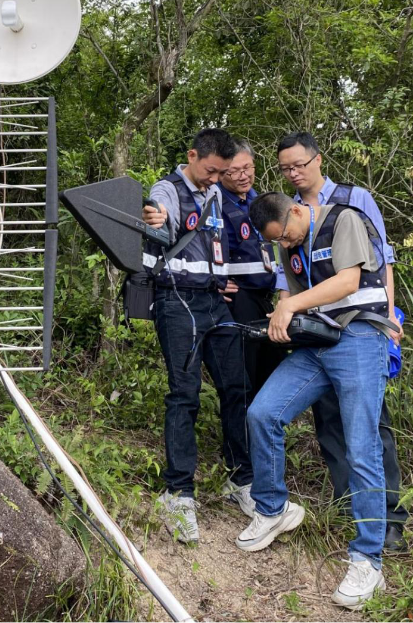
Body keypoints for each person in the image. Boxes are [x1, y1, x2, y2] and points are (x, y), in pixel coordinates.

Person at [237, 192, 391, 609]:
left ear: (299, 211)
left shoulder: (344, 220)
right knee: (263, 413)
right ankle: (273, 509)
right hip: (318, 344)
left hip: (359, 338)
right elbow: (296, 293)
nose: (285, 246)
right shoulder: (287, 240)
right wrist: (283, 318)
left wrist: (289, 308)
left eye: (286, 236)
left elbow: (348, 282)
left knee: (361, 449)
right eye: (278, 243)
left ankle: (368, 560)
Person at [276, 131, 407, 551]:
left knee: (371, 425)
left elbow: (382, 258)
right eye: (286, 169)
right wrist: (286, 313)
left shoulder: (354, 198)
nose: (295, 173)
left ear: (317, 159)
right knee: (329, 421)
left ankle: (388, 522)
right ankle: (348, 506)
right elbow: (286, 278)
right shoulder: (289, 214)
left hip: (359, 329)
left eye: (300, 164)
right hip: (315, 335)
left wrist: (388, 319)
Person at [142, 129, 254, 542]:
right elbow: (160, 213)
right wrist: (155, 217)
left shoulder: (217, 193)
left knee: (236, 387)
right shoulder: (167, 189)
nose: (215, 178)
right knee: (185, 394)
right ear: (193, 156)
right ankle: (178, 493)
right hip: (177, 303)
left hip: (214, 302)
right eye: (211, 171)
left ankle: (241, 480)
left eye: (221, 172)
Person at [218, 139, 284, 392]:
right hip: (238, 298)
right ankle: (242, 430)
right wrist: (212, 283)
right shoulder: (214, 202)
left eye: (248, 168)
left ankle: (265, 428)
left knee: (272, 370)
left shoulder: (260, 201)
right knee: (245, 371)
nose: (243, 176)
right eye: (234, 171)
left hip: (266, 298)